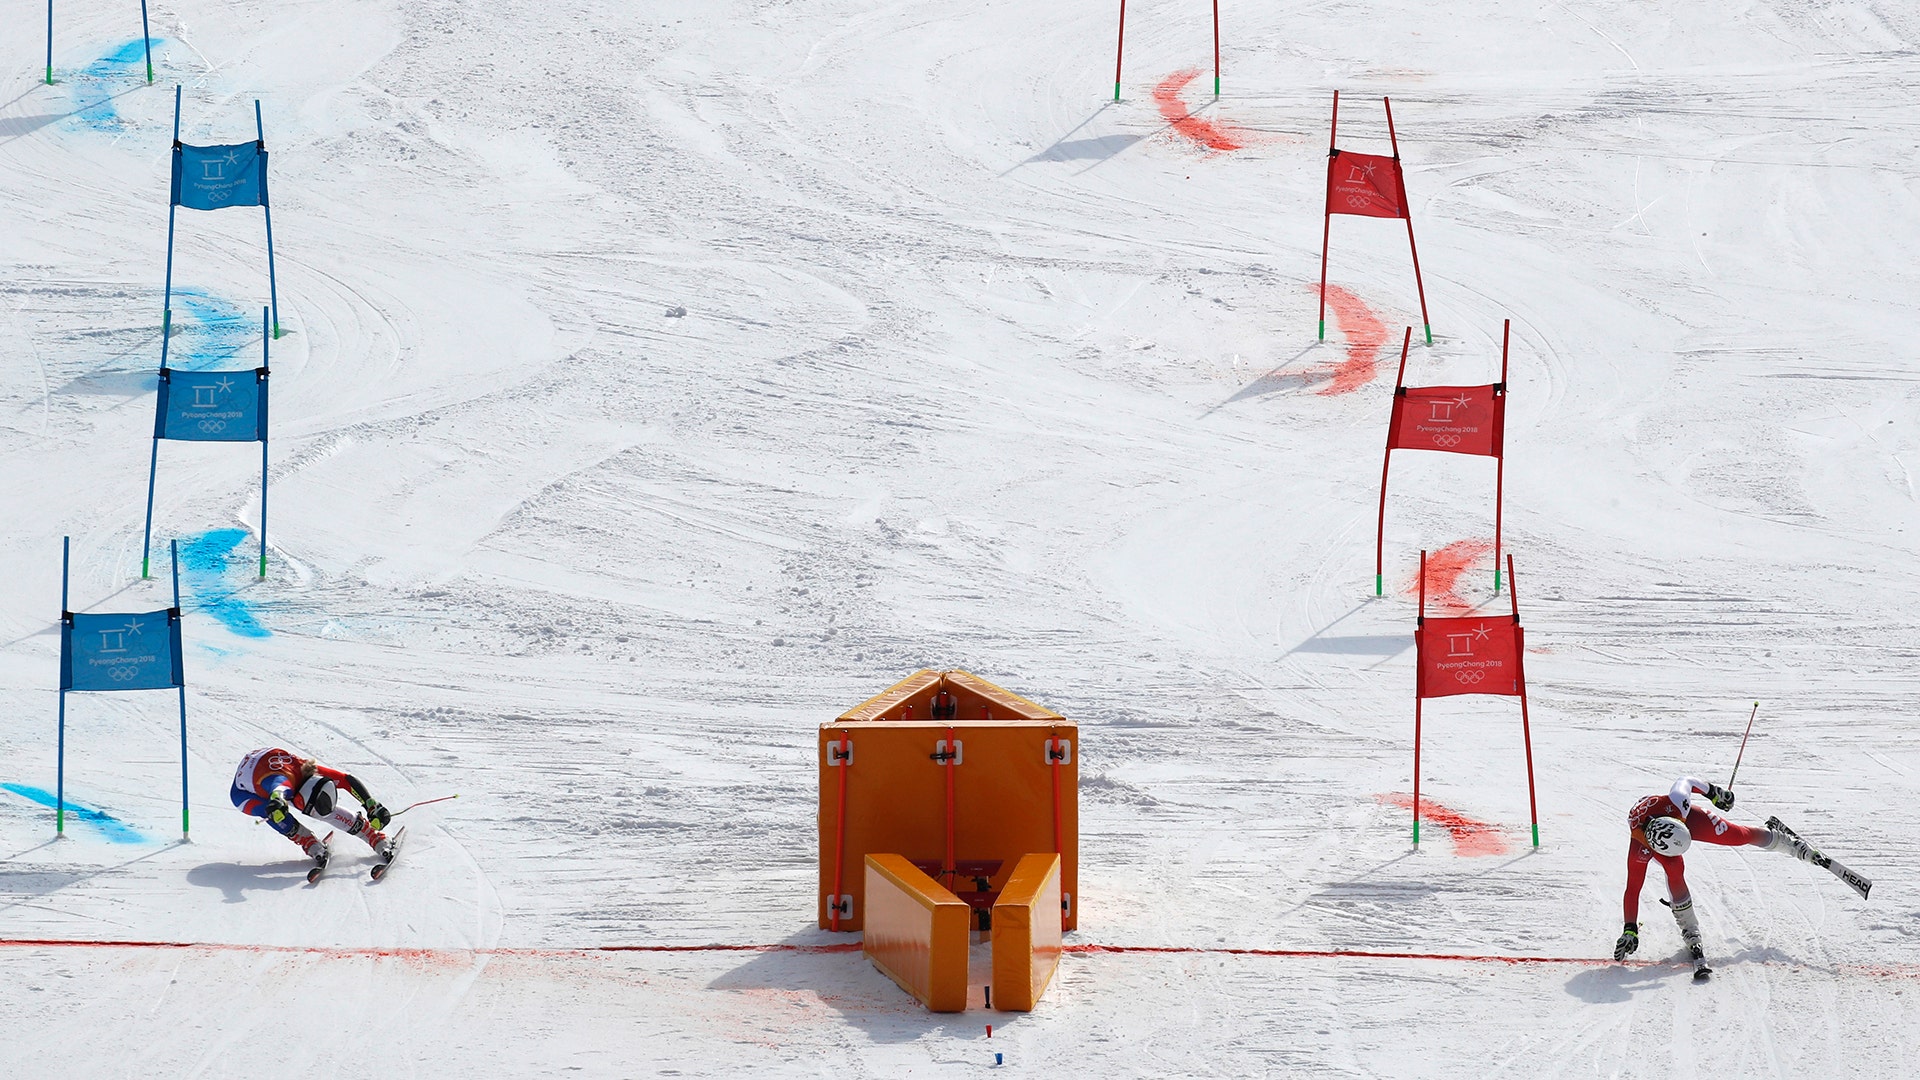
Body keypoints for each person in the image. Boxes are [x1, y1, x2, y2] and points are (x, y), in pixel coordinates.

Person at [1614, 775, 1823, 969]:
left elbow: (1686, 780)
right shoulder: (1639, 848)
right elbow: (1632, 890)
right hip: (1660, 835)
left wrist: (1714, 793)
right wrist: (1630, 929)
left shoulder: (1677, 802)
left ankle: (1789, 843)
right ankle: (1689, 928)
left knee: (1736, 835)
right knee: (1674, 868)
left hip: (1677, 820)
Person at [231, 747, 395, 870]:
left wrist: (371, 805)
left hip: (267, 764)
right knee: (273, 811)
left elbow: (346, 780)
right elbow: (279, 789)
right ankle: (305, 839)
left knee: (318, 808)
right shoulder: (283, 784)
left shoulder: (308, 771)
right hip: (243, 793)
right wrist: (278, 801)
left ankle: (371, 834)